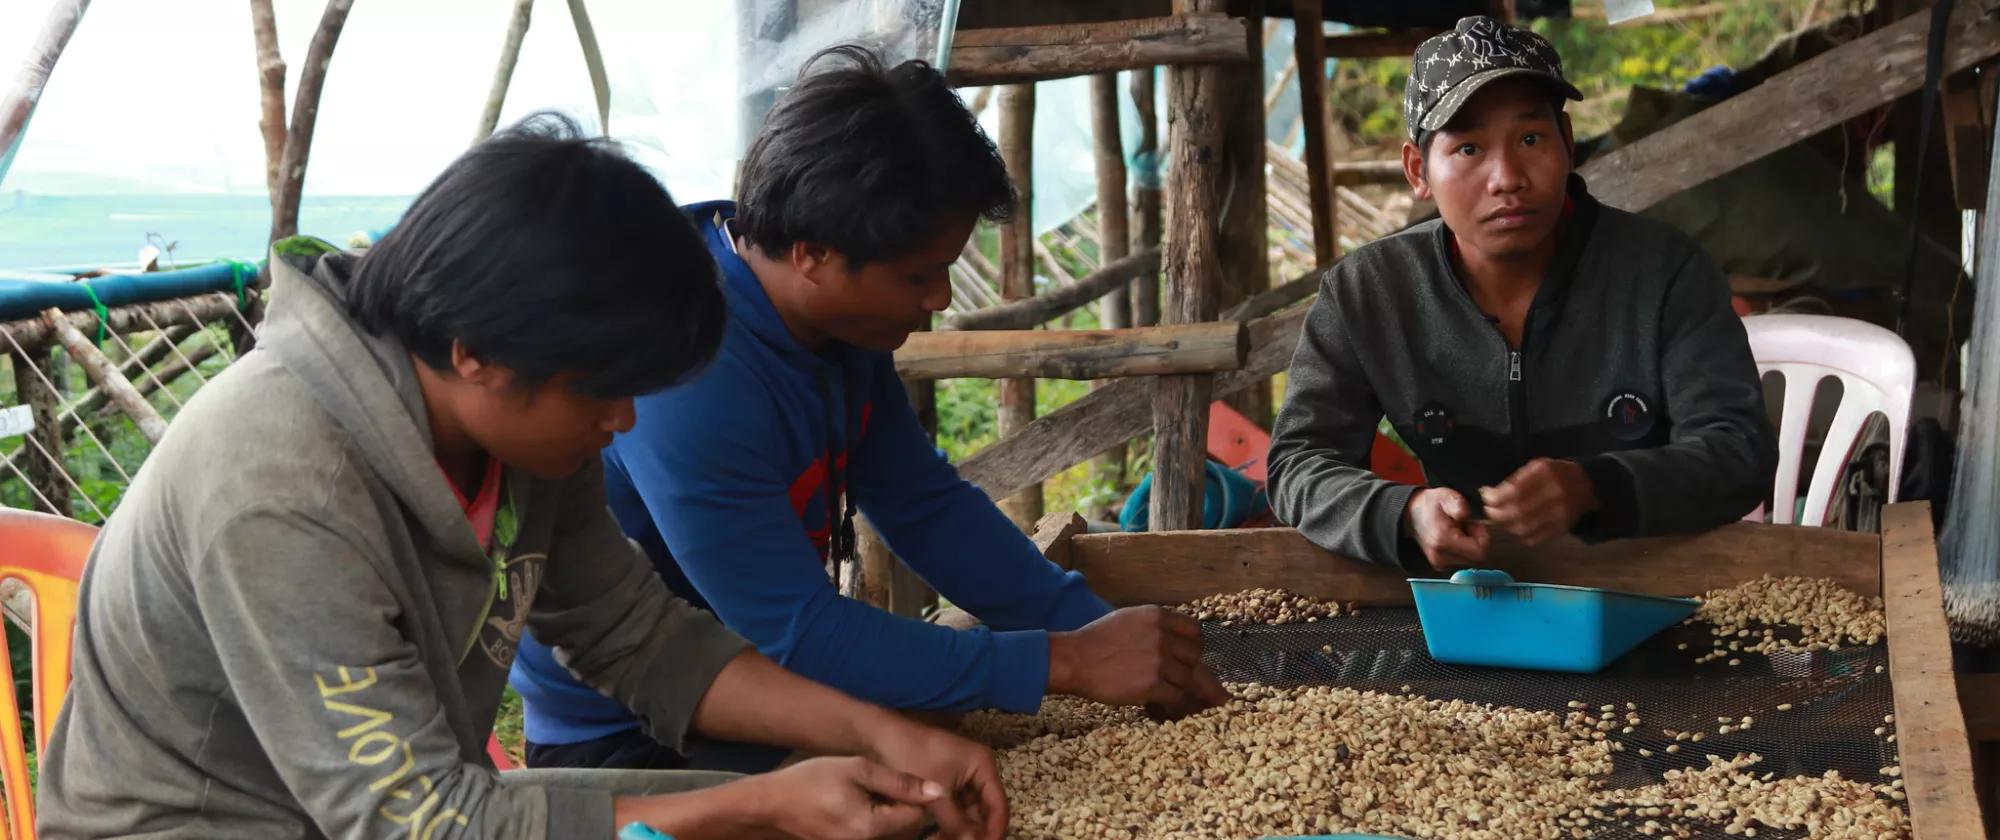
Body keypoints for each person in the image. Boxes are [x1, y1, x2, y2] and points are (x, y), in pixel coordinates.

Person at [36, 114, 1007, 840]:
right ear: (476, 353)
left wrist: (876, 735)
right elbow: (414, 825)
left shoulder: (527, 431)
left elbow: (637, 639)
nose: (623, 421)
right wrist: (758, 803)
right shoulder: (281, 489)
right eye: (608, 392)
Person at [509, 46, 1230, 772]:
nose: (942, 298)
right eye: (919, 274)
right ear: (814, 254)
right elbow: (796, 631)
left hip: (784, 688)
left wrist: (1104, 637)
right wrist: (1063, 663)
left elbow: (924, 506)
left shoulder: (837, 327)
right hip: (633, 731)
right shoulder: (690, 366)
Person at [1266, 16, 1777, 571]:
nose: (1507, 176)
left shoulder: (1664, 272)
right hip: (1463, 595)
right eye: (1467, 149)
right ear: (1418, 170)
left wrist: (1594, 486)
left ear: (1568, 142)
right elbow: (1298, 463)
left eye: (1530, 139)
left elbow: (1738, 451)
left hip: (1649, 584)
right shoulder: (1370, 293)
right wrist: (1404, 511)